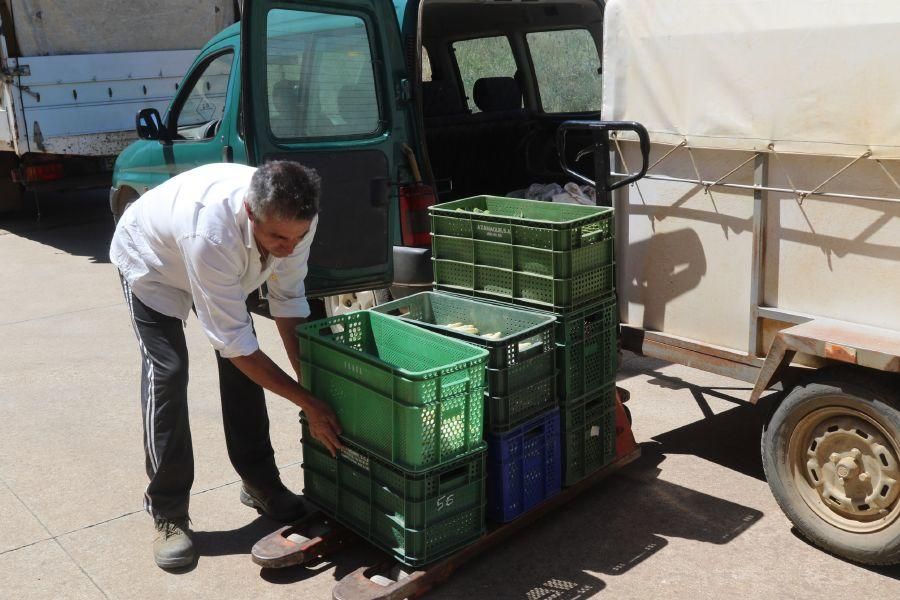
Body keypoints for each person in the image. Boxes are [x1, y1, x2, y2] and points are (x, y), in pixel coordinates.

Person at [110, 161, 342, 570]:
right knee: (168, 370)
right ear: (252, 214)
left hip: (223, 270)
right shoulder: (211, 232)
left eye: (298, 237)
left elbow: (288, 304)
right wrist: (307, 403)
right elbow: (236, 345)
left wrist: (311, 391)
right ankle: (168, 512)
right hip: (153, 262)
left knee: (242, 367)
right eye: (277, 238)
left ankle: (259, 482)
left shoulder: (297, 220)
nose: (288, 246)